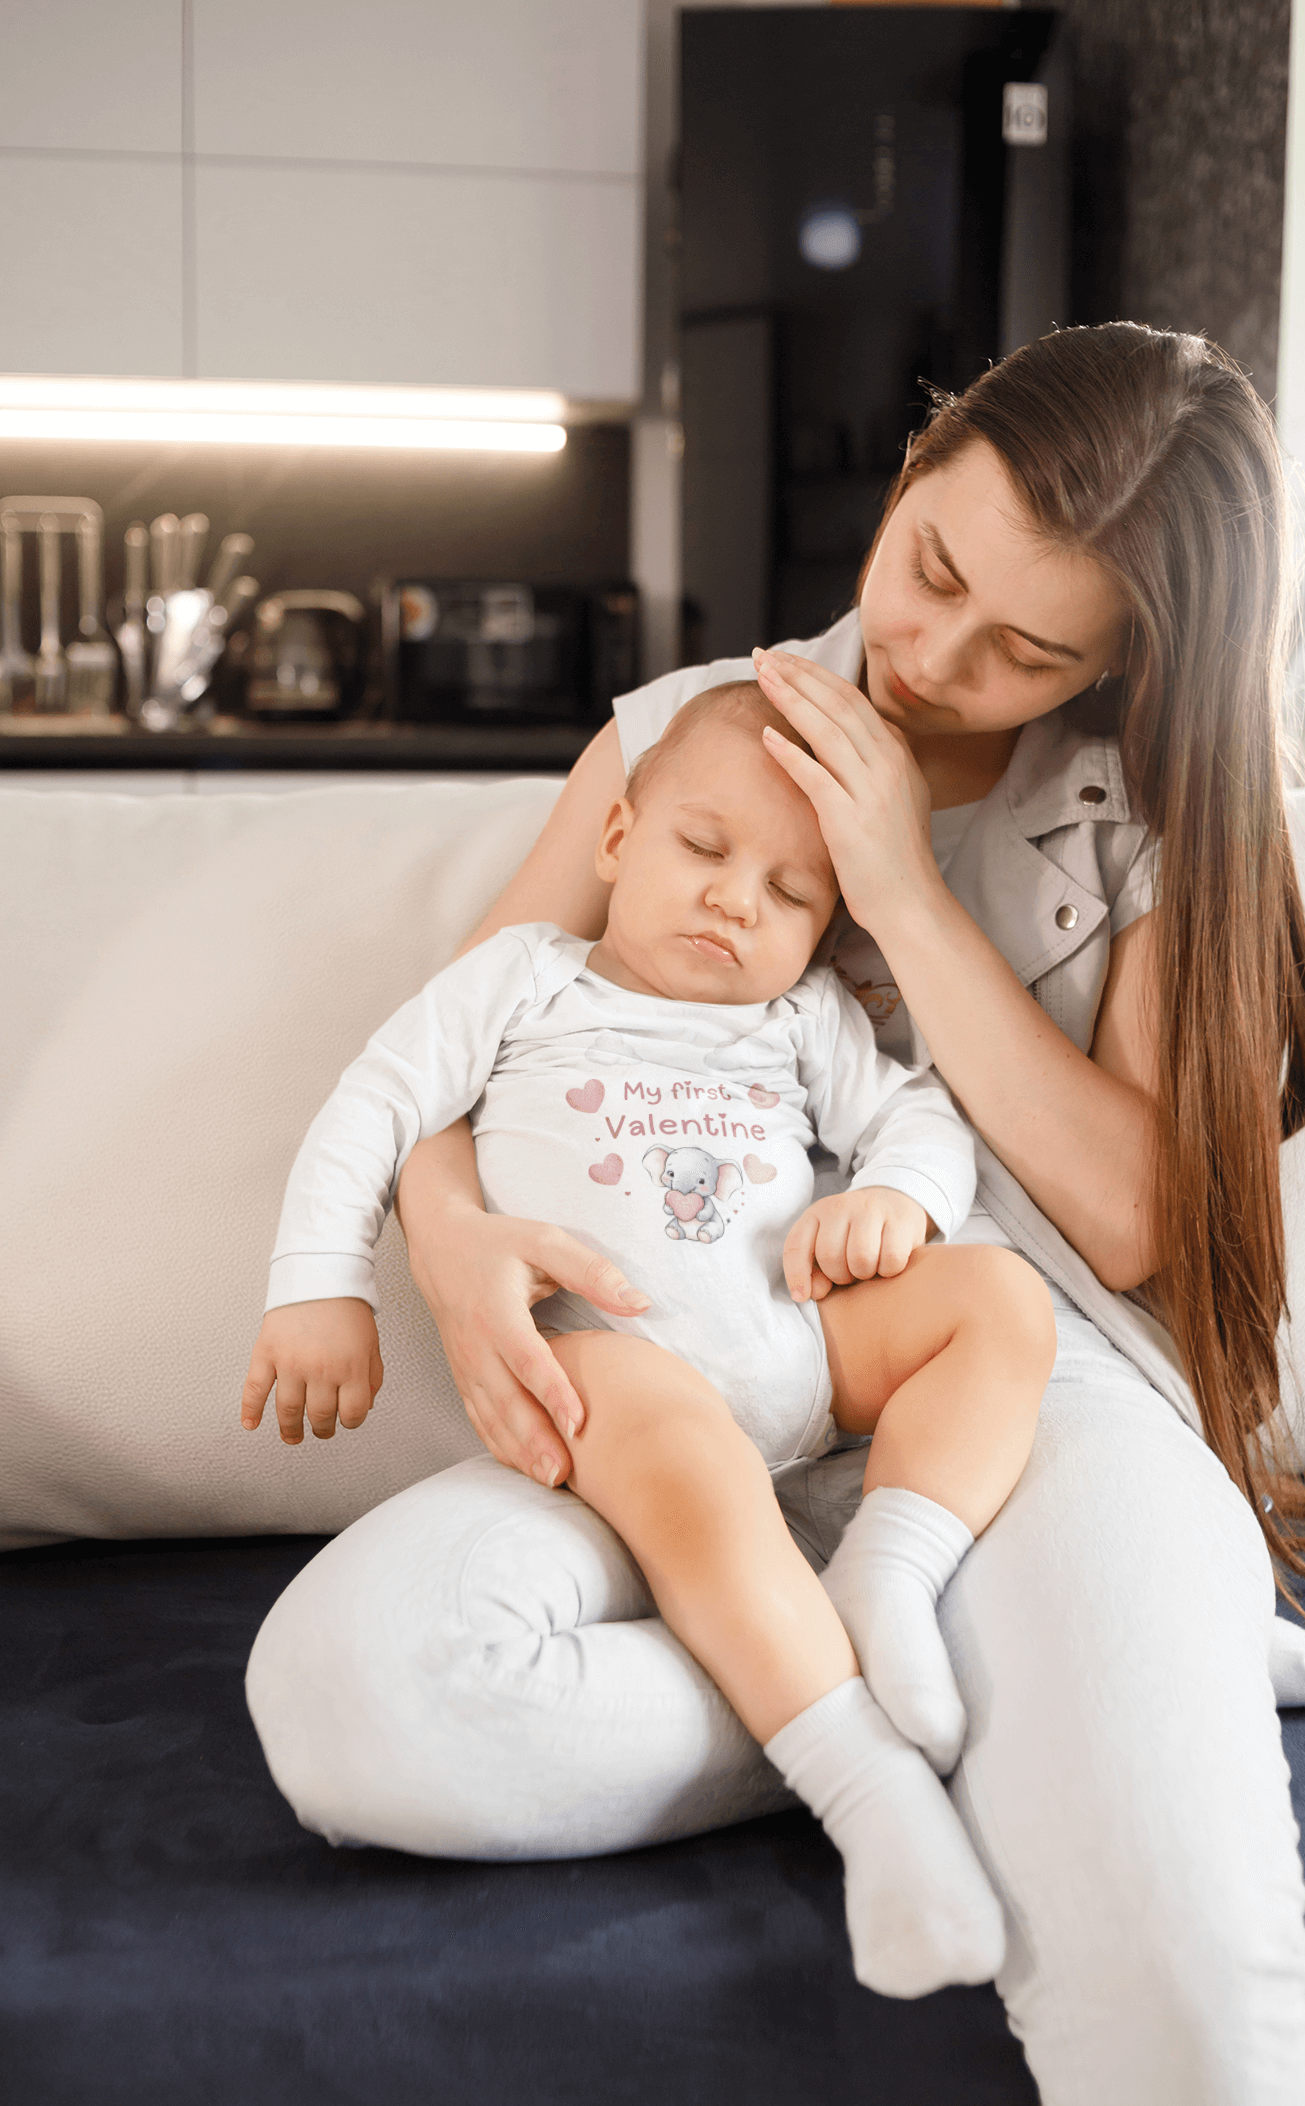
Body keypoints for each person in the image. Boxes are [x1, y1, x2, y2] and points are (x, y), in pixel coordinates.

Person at [245, 324, 1305, 2104]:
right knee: (356, 1695)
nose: (932, 658)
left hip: (1006, 1393)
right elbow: (459, 1049)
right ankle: (939, 1711)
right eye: (933, 566)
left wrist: (897, 895)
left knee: (1185, 1965)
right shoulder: (685, 737)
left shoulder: (1145, 812)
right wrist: (451, 1237)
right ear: (917, 465)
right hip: (672, 1382)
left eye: (1028, 649)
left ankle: (1064, 1676)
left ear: (1124, 666)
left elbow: (1134, 1221)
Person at [242, 679, 1058, 1999]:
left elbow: (921, 1117)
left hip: (798, 1337)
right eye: (705, 848)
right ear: (618, 841)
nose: (741, 900)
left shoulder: (803, 1021)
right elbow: (377, 1103)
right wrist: (317, 1283)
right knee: (695, 1462)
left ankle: (894, 1570)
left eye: (794, 894)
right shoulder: (523, 979)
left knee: (998, 1302)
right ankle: (871, 1793)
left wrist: (892, 1202)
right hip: (612, 1355)